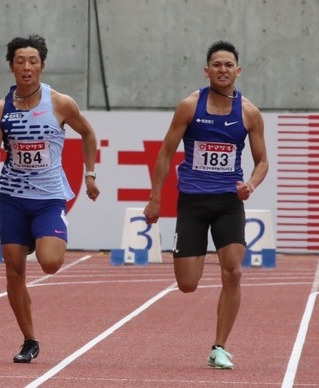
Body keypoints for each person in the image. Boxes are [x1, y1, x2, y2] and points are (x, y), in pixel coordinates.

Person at [143, 40, 268, 369]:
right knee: (187, 284)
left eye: (229, 65)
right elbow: (166, 153)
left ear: (238, 71)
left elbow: (262, 162)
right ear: (207, 70)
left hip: (228, 201)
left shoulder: (249, 113)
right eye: (217, 65)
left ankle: (219, 347)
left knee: (234, 271)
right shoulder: (189, 106)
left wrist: (251, 185)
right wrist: (155, 197)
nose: (223, 70)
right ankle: (215, 338)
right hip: (193, 203)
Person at [0, 34, 100, 363]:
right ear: (11, 67)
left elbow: (88, 133)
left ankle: (42, 237)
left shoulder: (60, 103)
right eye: (20, 61)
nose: (27, 67)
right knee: (14, 270)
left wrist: (89, 175)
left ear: (42, 66)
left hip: (48, 198)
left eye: (33, 61)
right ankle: (29, 340)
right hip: (13, 198)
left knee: (50, 264)